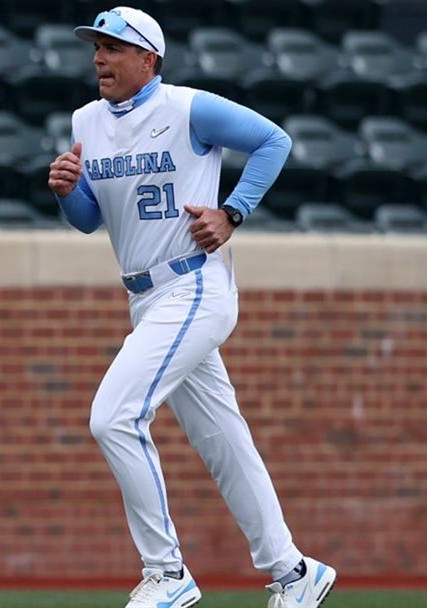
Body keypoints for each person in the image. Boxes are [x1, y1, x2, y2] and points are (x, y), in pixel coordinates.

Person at [46, 7, 336, 608]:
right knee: (223, 441)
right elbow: (89, 220)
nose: (99, 57)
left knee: (114, 417)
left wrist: (233, 212)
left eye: (114, 48)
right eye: (96, 47)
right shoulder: (86, 121)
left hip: (194, 285)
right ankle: (294, 571)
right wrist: (68, 191)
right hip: (145, 296)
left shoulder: (186, 107)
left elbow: (273, 141)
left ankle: (167, 571)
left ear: (148, 59)